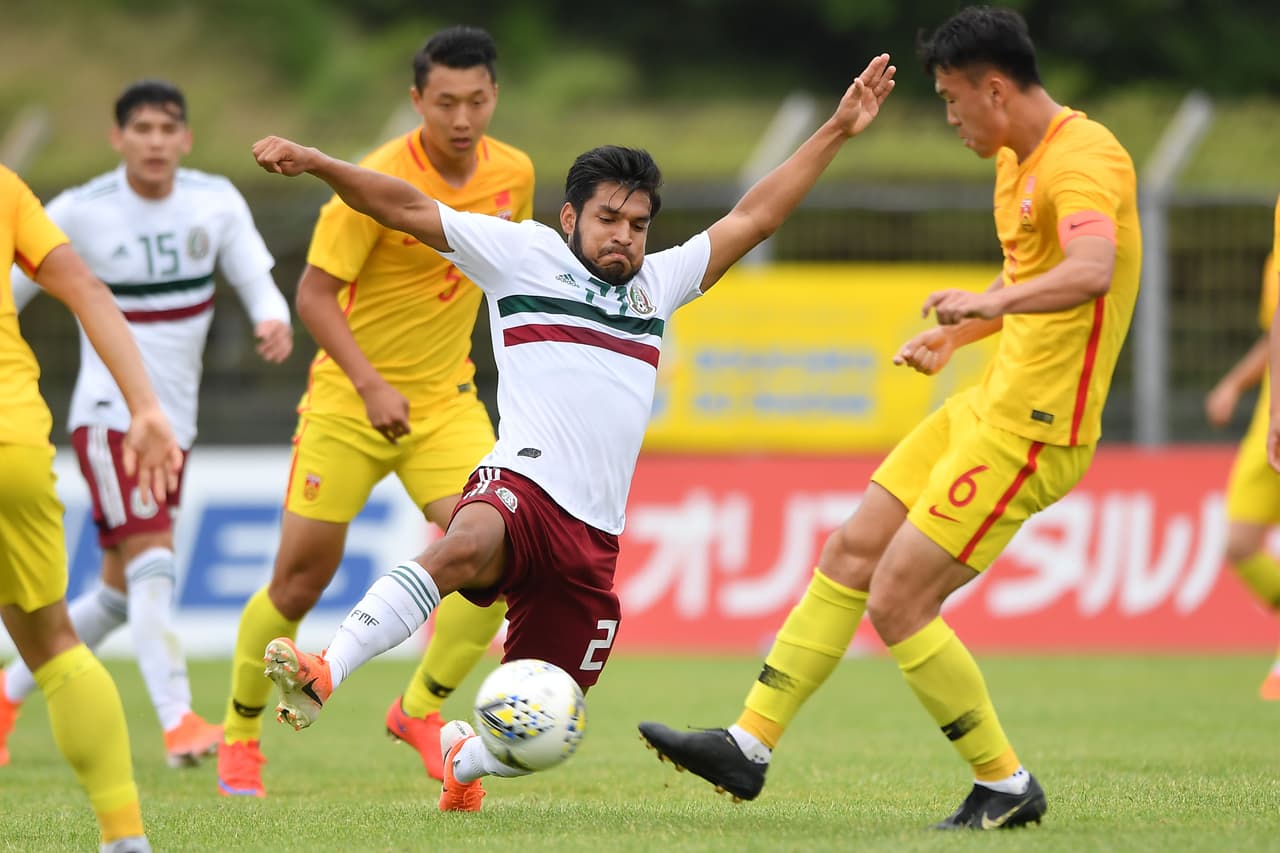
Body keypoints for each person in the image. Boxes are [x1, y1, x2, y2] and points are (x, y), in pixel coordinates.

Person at [248, 50, 895, 813]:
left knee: (549, 726)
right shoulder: (521, 255)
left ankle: (466, 760)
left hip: (593, 538)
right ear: (570, 217)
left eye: (637, 224)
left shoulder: (661, 282)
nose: (624, 236)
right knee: (463, 542)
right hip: (521, 479)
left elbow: (756, 216)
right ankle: (329, 666)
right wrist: (321, 163)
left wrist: (838, 130)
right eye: (608, 219)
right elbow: (404, 206)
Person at [638, 6, 1141, 831]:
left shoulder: (1084, 160)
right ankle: (748, 743)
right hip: (989, 400)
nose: (950, 119)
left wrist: (990, 300)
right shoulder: (1018, 158)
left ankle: (1005, 783)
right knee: (850, 549)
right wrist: (965, 332)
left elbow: (1090, 271)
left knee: (899, 598)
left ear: (994, 87)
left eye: (950, 101)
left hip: (1038, 427)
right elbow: (1038, 283)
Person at [216, 26, 535, 798]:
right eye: (446, 102)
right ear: (417, 100)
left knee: (494, 554)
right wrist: (369, 385)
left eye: (478, 101)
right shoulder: (375, 181)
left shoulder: (514, 174)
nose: (463, 118)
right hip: (347, 403)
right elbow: (314, 296)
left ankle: (419, 710)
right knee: (297, 585)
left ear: (494, 97)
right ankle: (239, 733)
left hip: (446, 402)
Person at [0, 80, 292, 770]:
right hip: (111, 418)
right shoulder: (79, 209)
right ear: (118, 138)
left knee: (118, 591)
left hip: (174, 420)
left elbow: (252, 272)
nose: (155, 141)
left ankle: (6, 692)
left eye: (168, 128)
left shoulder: (216, 199)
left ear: (185, 139)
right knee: (155, 553)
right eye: (142, 129)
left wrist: (271, 314)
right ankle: (178, 719)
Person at [1, 163, 184, 852]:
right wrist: (144, 406)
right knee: (53, 646)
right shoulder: (6, 188)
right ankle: (124, 837)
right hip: (12, 443)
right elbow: (85, 288)